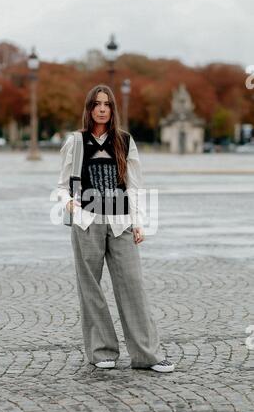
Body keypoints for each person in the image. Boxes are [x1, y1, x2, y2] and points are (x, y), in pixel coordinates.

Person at [57, 84, 174, 372]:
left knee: (132, 286)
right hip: (87, 222)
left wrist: (139, 222)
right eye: (96, 104)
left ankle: (147, 355)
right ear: (89, 108)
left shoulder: (124, 140)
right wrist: (69, 203)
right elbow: (62, 185)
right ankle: (102, 351)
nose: (102, 109)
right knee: (90, 288)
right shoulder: (75, 141)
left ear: (112, 109)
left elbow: (134, 185)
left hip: (120, 222)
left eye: (107, 104)